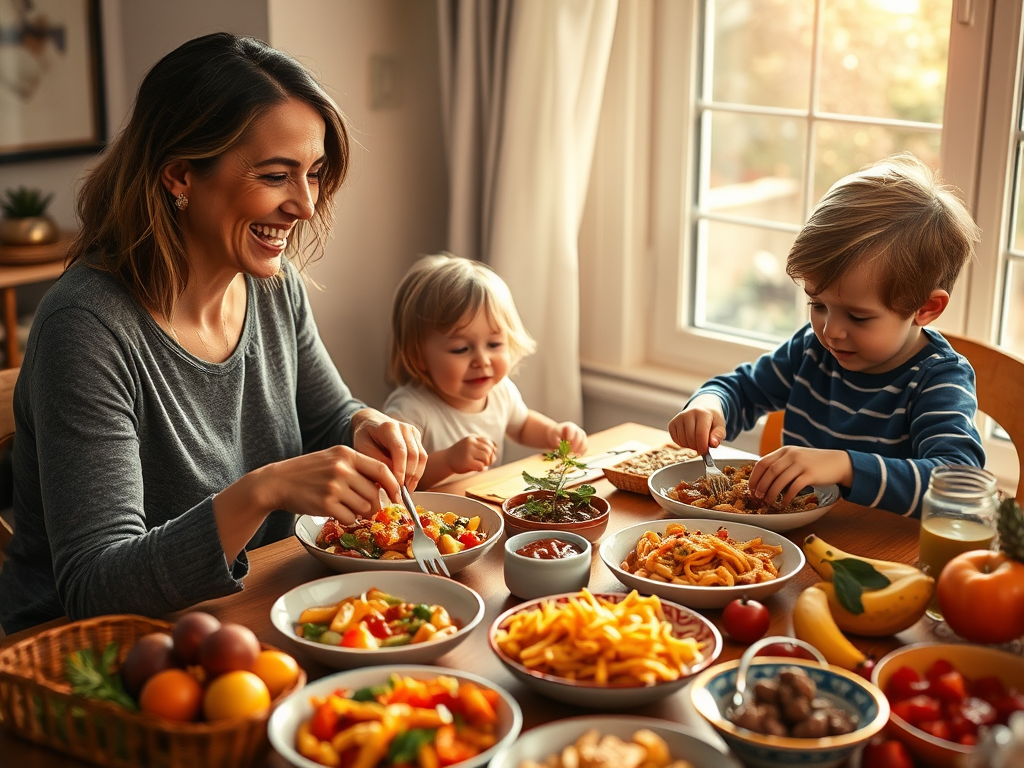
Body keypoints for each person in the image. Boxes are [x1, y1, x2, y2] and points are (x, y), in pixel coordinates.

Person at [0, 33, 427, 635]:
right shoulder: (87, 328)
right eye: (277, 175)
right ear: (179, 176)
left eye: (314, 173)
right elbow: (94, 585)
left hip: (253, 610)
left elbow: (329, 417)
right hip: (91, 656)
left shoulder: (274, 287)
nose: (305, 205)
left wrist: (365, 427)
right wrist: (264, 491)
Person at [668, 153, 985, 518]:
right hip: (796, 546)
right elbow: (741, 389)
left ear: (925, 309)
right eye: (817, 304)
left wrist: (845, 466)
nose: (830, 331)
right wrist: (708, 406)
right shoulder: (811, 350)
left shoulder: (937, 378)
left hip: (889, 558)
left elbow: (960, 487)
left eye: (858, 316)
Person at [384, 253, 587, 487]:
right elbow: (396, 476)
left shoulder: (500, 391)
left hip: (485, 511)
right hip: (429, 517)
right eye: (461, 349)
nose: (482, 360)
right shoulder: (410, 410)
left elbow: (521, 426)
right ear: (418, 356)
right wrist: (449, 460)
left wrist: (553, 432)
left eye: (494, 345)